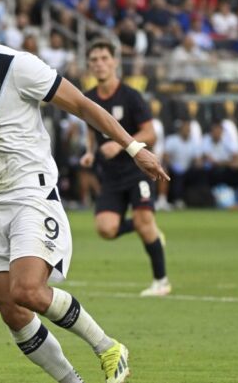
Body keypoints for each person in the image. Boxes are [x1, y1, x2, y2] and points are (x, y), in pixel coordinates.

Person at [0, 0, 168, 383]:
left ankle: (109, 347)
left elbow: (82, 104)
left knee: (27, 290)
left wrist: (133, 147)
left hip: (29, 192)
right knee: (11, 309)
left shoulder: (17, 66)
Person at [80, 39, 171, 298]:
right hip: (109, 175)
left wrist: (121, 146)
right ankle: (150, 226)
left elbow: (150, 133)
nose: (99, 64)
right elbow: (90, 127)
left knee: (143, 222)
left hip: (136, 173)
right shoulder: (88, 99)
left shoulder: (130, 96)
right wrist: (89, 151)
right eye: (94, 60)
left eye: (104, 58)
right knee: (105, 229)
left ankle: (161, 281)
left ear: (115, 62)